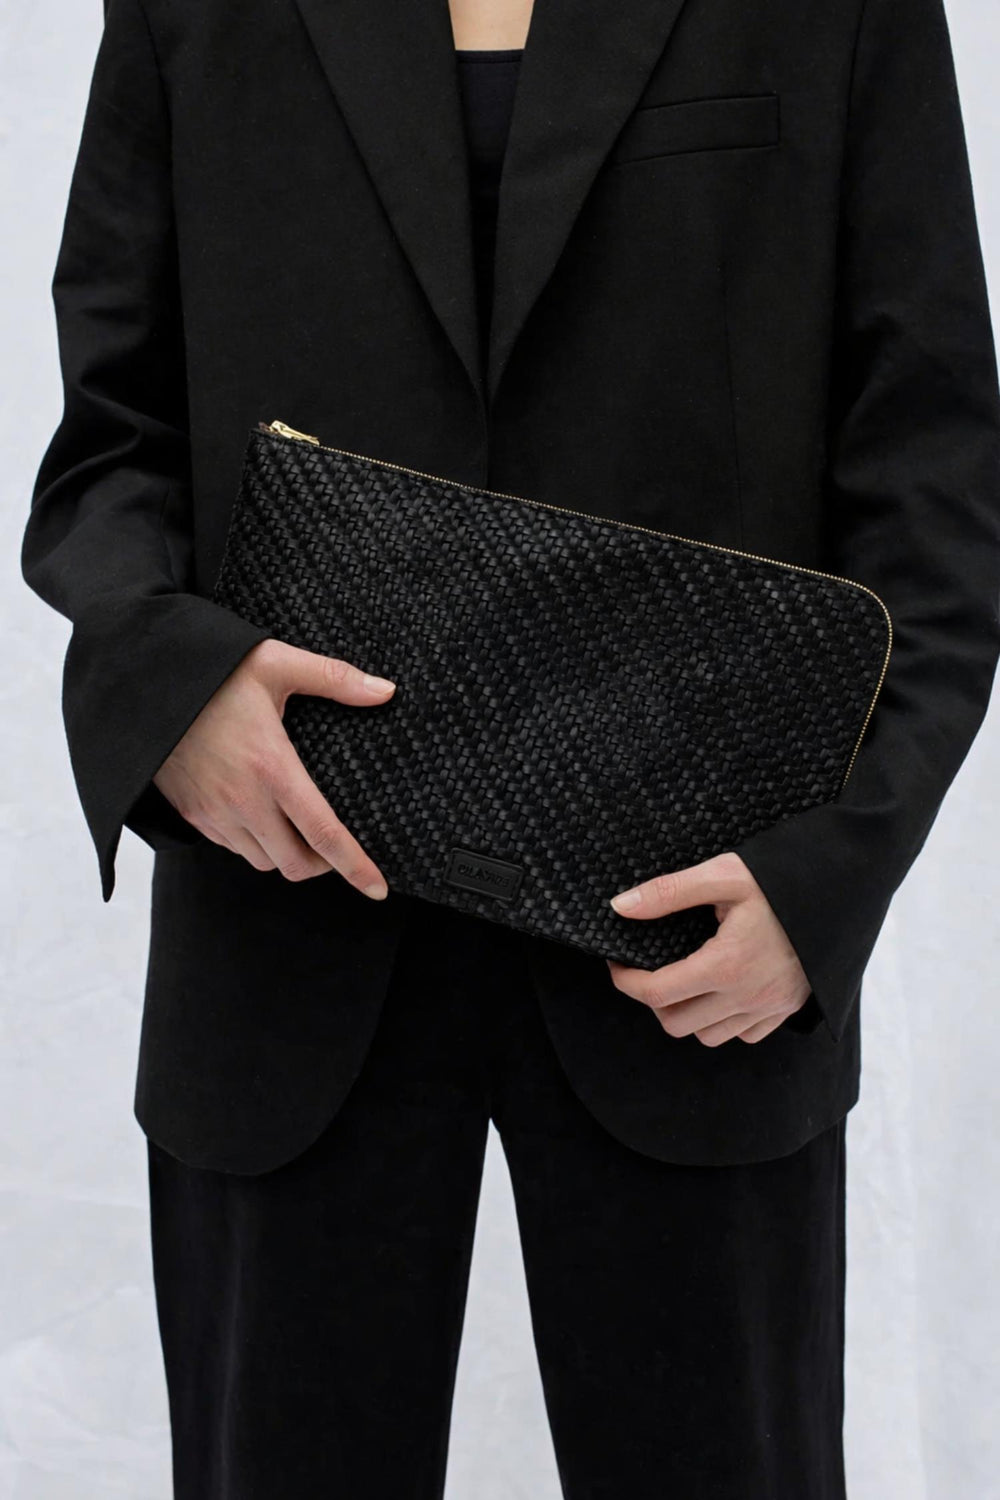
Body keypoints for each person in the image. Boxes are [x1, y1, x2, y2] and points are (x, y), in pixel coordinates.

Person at [21, 0, 1000, 1494]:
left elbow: (935, 475)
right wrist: (175, 688)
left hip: (699, 936)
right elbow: (110, 436)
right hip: (286, 905)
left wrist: (828, 874)